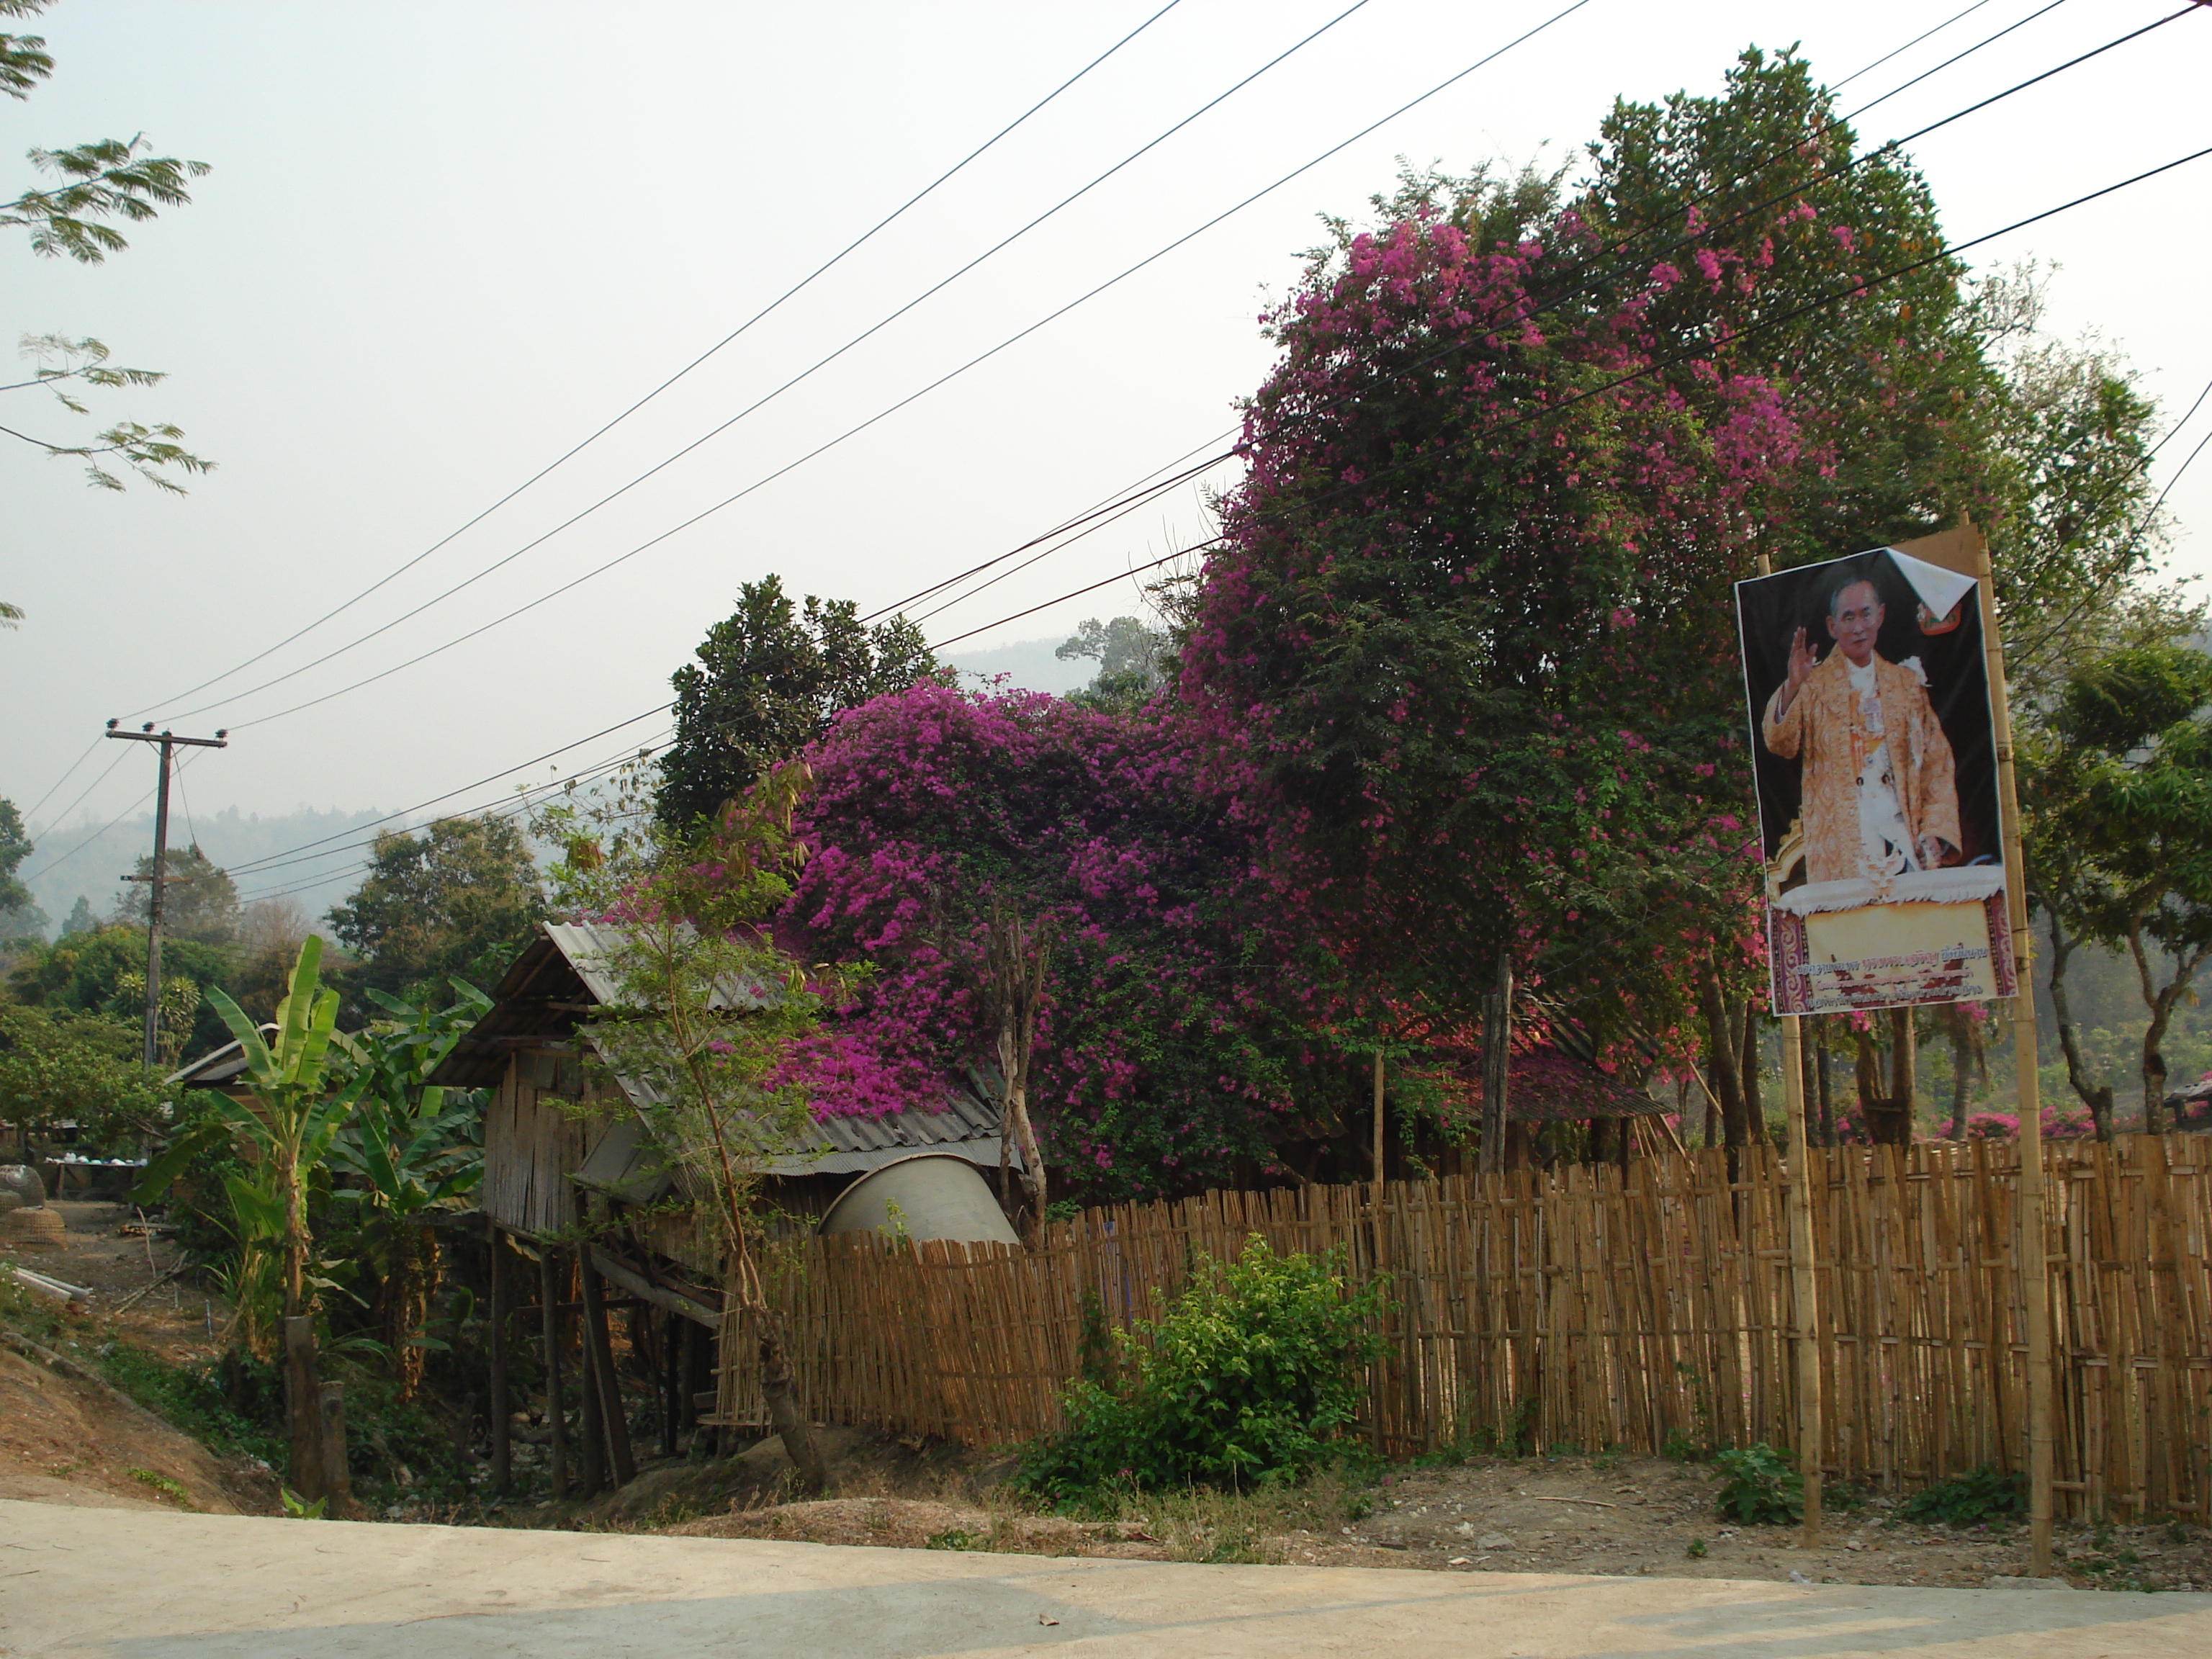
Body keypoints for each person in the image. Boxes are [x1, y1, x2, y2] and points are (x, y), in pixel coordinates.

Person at [1761, 575, 1961, 884]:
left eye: (1866, 615)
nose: (1858, 627)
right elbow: (1780, 743)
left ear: (1880, 616)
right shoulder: (1813, 684)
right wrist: (1792, 686)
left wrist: (1935, 831)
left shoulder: (1905, 685)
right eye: (1848, 617)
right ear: (1832, 626)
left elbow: (1937, 764)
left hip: (1902, 829)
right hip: (1842, 837)